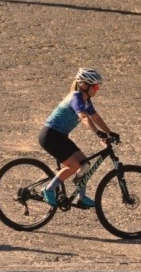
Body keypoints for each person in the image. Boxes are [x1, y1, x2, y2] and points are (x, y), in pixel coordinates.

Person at [38, 68, 119, 207]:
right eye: (95, 86)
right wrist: (98, 133)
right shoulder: (76, 97)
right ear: (84, 85)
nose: (97, 90)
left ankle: (81, 198)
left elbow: (95, 117)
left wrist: (109, 132)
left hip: (60, 136)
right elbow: (84, 117)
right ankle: (48, 189)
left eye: (98, 87)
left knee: (85, 164)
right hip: (50, 136)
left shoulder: (86, 100)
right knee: (74, 165)